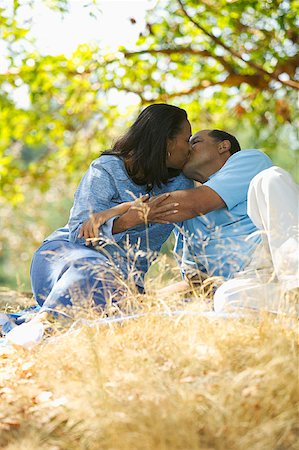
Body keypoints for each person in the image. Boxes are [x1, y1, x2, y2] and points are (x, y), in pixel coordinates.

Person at [81, 129, 298, 312]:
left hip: (277, 256)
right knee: (226, 297)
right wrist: (143, 302)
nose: (187, 148)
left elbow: (197, 202)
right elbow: (196, 282)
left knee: (270, 179)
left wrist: (118, 210)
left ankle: (296, 282)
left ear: (223, 146)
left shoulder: (248, 161)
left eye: (195, 142)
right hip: (252, 280)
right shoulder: (186, 220)